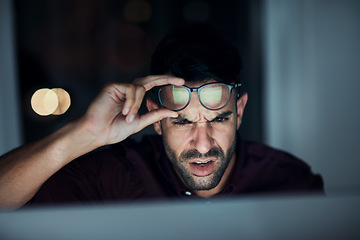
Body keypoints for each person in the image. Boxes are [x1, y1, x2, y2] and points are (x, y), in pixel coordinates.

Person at [0, 24, 323, 209]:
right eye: (182, 121)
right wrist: (86, 132)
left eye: (218, 119)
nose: (202, 144)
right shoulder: (114, 178)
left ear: (239, 111)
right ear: (155, 118)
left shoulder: (291, 183)